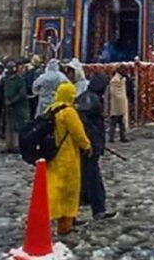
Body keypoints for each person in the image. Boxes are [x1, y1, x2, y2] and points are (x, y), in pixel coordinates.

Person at [46, 82, 92, 235]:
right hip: (68, 157)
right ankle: (65, 224)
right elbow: (78, 133)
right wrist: (87, 146)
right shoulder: (68, 112)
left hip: (52, 156)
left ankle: (42, 217)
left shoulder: (51, 109)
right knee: (69, 192)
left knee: (53, 189)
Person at [75, 72, 116, 221]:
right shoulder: (91, 100)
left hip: (88, 144)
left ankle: (84, 201)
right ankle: (98, 209)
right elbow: (90, 127)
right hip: (90, 145)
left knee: (87, 176)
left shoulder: (87, 98)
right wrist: (93, 144)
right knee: (93, 178)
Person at [3, 60, 29, 153]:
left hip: (18, 107)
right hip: (8, 106)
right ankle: (8, 144)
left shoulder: (20, 80)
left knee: (17, 126)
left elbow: (22, 93)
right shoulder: (6, 79)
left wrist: (12, 101)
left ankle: (17, 145)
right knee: (8, 125)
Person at [108, 67, 129, 143]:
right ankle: (111, 137)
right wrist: (122, 99)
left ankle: (122, 136)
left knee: (121, 122)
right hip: (116, 105)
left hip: (121, 104)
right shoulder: (115, 80)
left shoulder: (122, 79)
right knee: (114, 122)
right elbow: (114, 93)